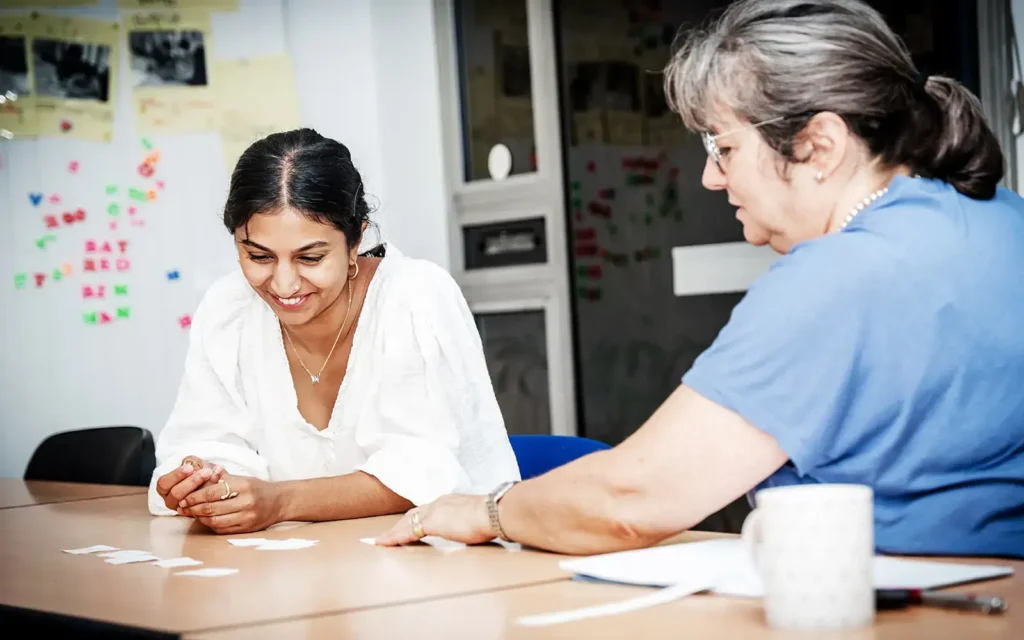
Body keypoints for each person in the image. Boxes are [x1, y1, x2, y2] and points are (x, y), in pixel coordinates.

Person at [377, 0, 1024, 559]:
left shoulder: (840, 276)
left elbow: (632, 498)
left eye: (726, 148)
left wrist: (485, 511)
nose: (713, 179)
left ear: (820, 146)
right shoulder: (1002, 220)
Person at [148, 128, 520, 534]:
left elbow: (423, 476)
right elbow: (202, 443)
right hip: (303, 572)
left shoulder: (413, 297)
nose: (284, 284)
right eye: (258, 255)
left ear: (356, 237)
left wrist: (279, 502)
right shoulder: (229, 308)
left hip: (443, 566)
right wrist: (201, 482)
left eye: (310, 257)